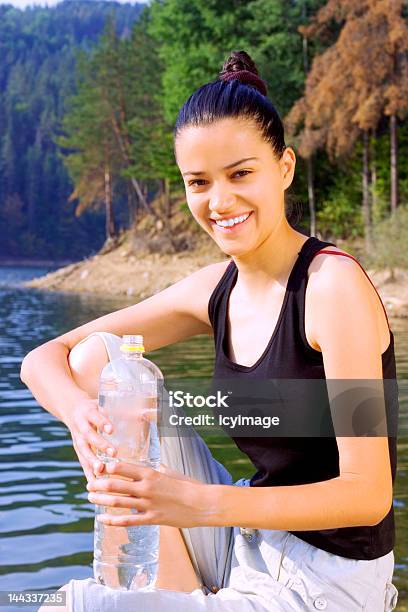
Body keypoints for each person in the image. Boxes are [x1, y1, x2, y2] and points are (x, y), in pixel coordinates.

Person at [21, 50, 399, 612]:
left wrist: (197, 504)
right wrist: (84, 416)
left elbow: (368, 496)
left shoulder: (331, 287)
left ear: (285, 168)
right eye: (199, 182)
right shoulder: (212, 289)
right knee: (97, 361)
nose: (220, 201)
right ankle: (174, 591)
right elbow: (48, 356)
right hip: (244, 538)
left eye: (241, 173)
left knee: (74, 606)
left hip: (325, 579)